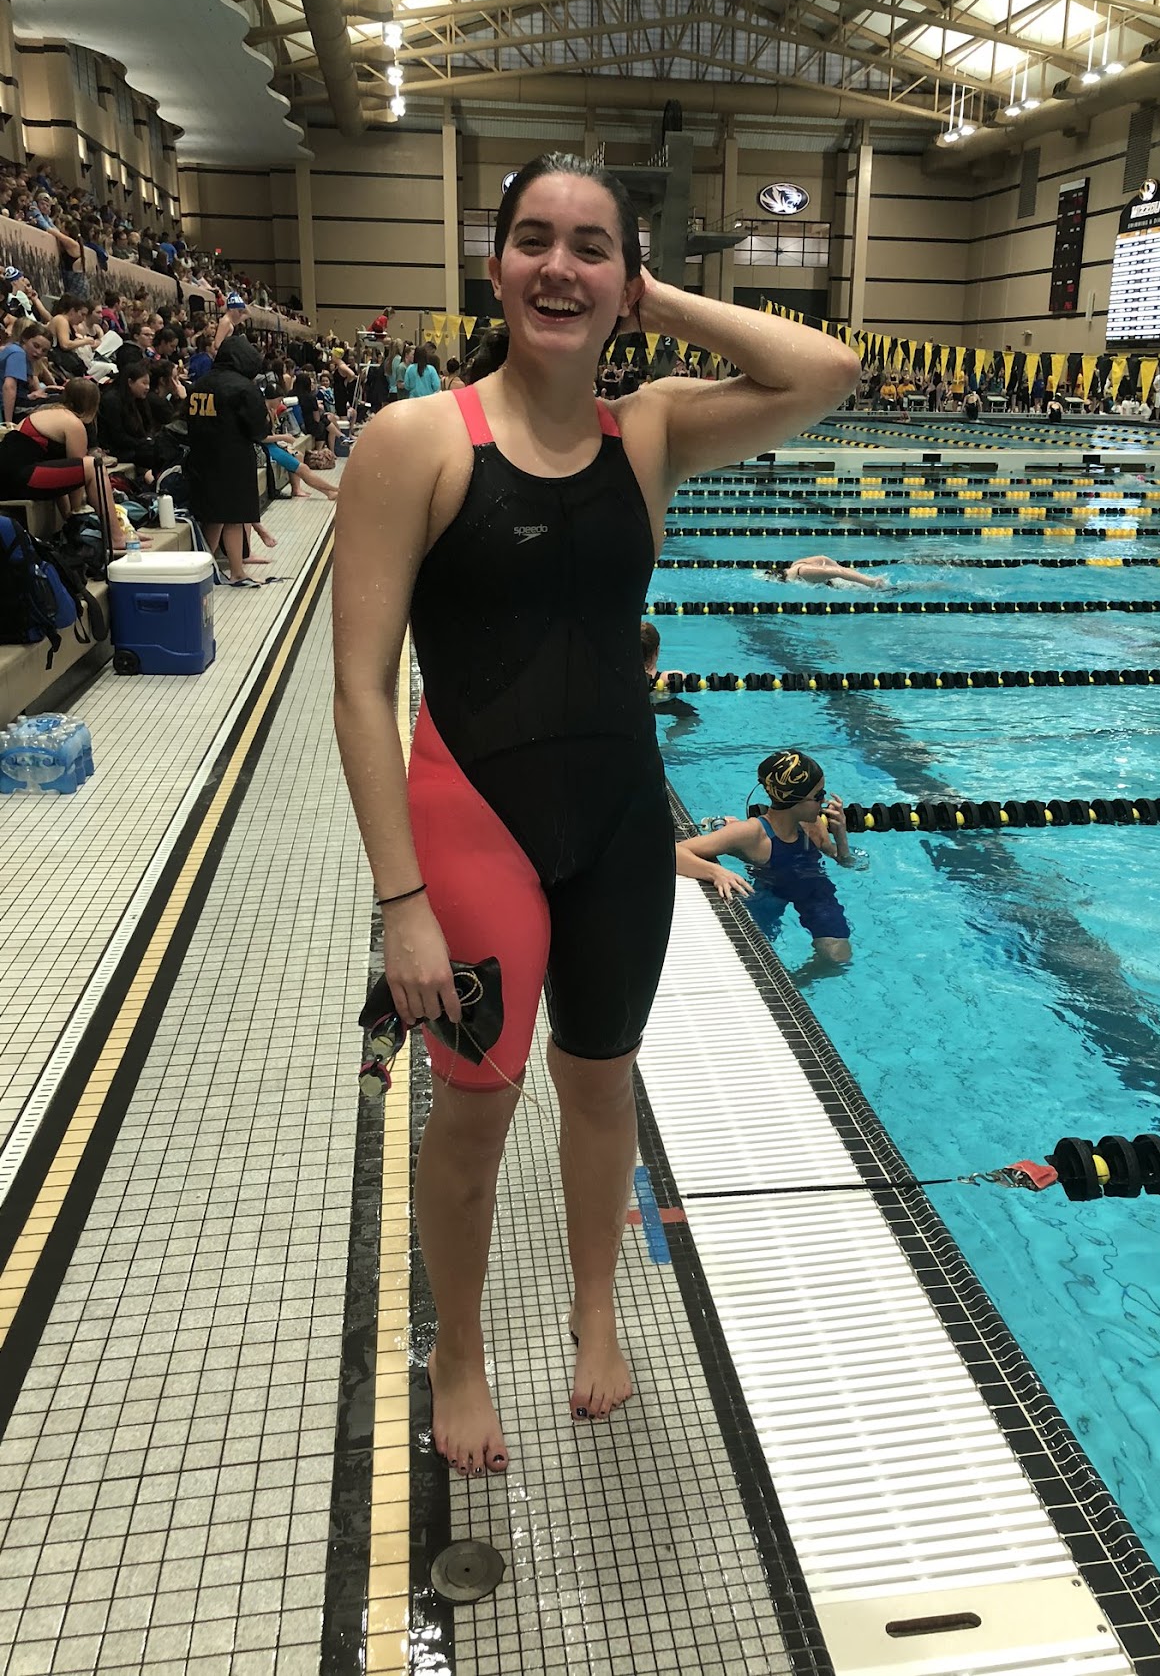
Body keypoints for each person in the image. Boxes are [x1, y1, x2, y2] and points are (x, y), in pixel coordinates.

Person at [332, 150, 859, 1480]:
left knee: (601, 1083)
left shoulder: (656, 429)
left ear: (623, 275)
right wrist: (401, 902)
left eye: (589, 247)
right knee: (474, 1108)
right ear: (493, 261)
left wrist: (652, 297)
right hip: (473, 823)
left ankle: (593, 1305)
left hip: (623, 822)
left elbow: (826, 369)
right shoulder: (418, 440)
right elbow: (356, 683)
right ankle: (460, 1346)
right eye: (533, 240)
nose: (557, 267)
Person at [675, 751, 855, 971]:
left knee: (838, 958)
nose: (824, 802)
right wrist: (716, 872)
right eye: (818, 796)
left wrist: (841, 837)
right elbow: (674, 853)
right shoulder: (752, 834)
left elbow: (845, 862)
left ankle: (798, 982)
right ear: (793, 800)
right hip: (769, 894)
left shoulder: (812, 823)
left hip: (814, 890)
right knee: (746, 955)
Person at [184, 333, 272, 586]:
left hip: (201, 458)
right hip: (233, 459)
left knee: (213, 516)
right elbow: (257, 428)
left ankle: (203, 569)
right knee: (234, 516)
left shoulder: (199, 385)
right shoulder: (244, 387)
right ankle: (236, 571)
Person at [0, 376, 126, 549]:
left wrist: (67, 516)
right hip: (19, 476)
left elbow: (58, 472)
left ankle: (118, 533)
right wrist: (76, 514)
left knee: (87, 466)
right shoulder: (73, 423)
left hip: (10, 478)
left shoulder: (45, 413)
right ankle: (116, 536)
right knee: (94, 467)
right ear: (93, 405)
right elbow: (76, 479)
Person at [640, 620, 697, 722]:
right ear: (657, 651)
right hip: (664, 705)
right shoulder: (668, 678)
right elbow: (683, 677)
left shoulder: (623, 679)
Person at [0, 322, 51, 423]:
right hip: (9, 410)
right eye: (36, 346)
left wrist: (30, 396)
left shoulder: (24, 356)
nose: (39, 352)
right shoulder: (17, 353)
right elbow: (9, 387)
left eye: (44, 350)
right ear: (25, 339)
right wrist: (8, 424)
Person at [772, 554, 888, 588]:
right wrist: (837, 566)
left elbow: (838, 572)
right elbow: (823, 558)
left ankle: (875, 583)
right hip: (840, 578)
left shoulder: (804, 572)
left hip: (854, 584)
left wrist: (870, 582)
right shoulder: (796, 564)